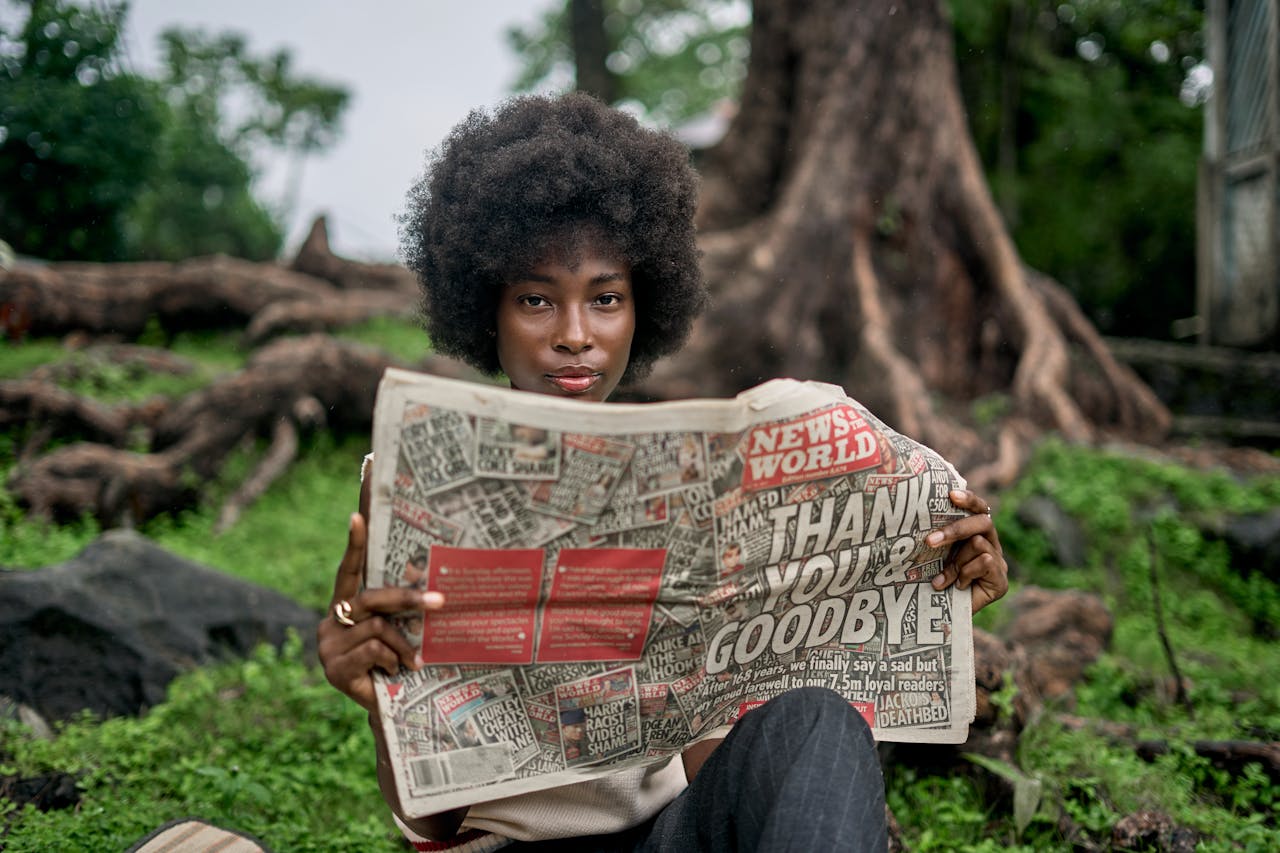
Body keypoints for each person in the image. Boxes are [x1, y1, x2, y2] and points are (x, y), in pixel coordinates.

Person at [317, 93, 1009, 852]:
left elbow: (713, 764)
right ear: (489, 309)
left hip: (664, 838)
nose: (575, 335)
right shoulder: (412, 479)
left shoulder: (694, 480)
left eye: (605, 298)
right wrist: (379, 696)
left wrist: (919, 596)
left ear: (642, 306)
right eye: (537, 299)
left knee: (815, 717)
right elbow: (437, 823)